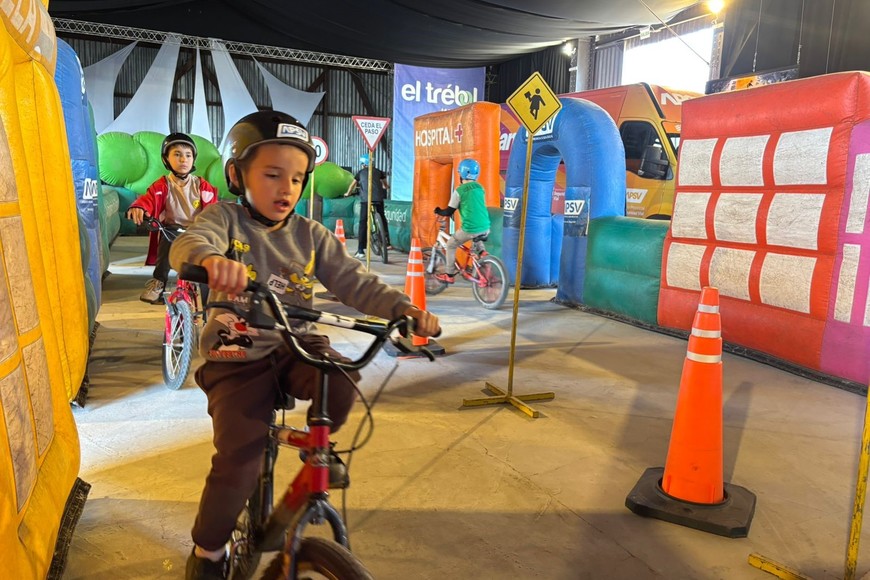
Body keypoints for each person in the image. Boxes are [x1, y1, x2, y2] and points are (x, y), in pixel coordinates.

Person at [169, 111, 440, 580]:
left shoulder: (310, 234)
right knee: (239, 463)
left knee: (343, 379)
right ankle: (208, 551)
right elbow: (190, 242)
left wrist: (404, 309)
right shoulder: (224, 218)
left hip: (295, 342)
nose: (286, 188)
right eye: (272, 175)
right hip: (236, 352)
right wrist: (211, 260)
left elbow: (355, 281)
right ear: (237, 175)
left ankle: (314, 447)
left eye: (296, 178)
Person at [126, 133, 219, 303]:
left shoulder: (202, 185)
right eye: (177, 154)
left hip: (199, 231)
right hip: (173, 230)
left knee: (209, 266)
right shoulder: (162, 185)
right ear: (165, 159)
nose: (183, 159)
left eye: (188, 155)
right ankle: (159, 282)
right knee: (167, 243)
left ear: (193, 159)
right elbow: (148, 199)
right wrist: (139, 207)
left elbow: (212, 208)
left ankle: (210, 299)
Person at [432, 158, 491, 283]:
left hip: (470, 228)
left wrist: (438, 211)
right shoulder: (480, 187)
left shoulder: (459, 191)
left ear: (462, 174)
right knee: (477, 234)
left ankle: (449, 274)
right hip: (486, 226)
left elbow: (448, 212)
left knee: (451, 244)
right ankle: (483, 253)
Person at [344, 153, 391, 258]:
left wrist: (348, 193)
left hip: (366, 200)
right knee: (382, 216)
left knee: (363, 222)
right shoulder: (379, 172)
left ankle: (360, 250)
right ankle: (387, 242)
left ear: (362, 164)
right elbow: (385, 184)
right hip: (378, 199)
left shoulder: (360, 173)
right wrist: (386, 187)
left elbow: (353, 185)